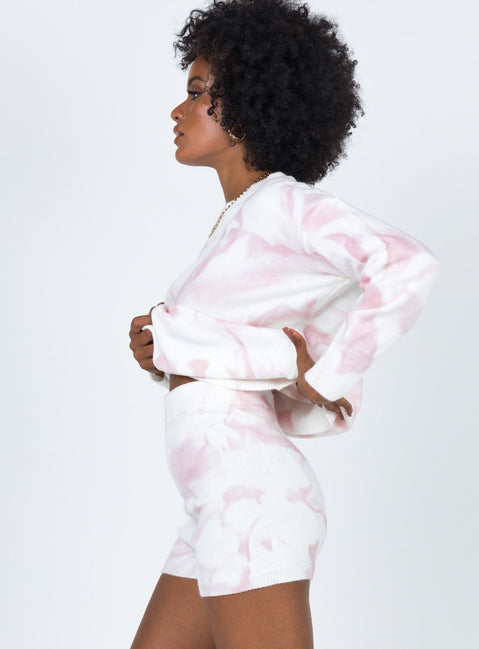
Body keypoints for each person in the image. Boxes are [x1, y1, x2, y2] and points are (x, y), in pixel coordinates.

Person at [128, 1, 440, 647]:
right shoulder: (240, 218)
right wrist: (164, 351)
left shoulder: (284, 204)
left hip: (252, 500)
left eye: (197, 93)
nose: (177, 111)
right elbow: (245, 346)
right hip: (211, 505)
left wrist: (330, 374)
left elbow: (407, 263)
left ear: (249, 104)